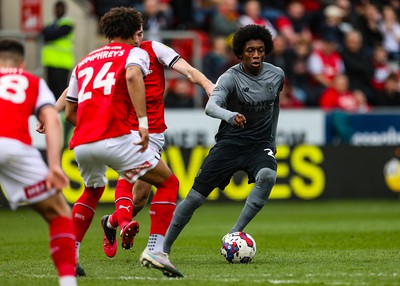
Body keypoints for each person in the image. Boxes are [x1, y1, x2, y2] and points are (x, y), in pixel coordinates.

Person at [64, 7, 183, 278]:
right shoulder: (135, 52)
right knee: (168, 183)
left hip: (82, 141)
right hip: (116, 136)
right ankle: (156, 250)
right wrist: (142, 123)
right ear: (134, 31)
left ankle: (70, 254)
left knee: (92, 190)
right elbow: (132, 76)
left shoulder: (84, 61)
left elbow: (70, 112)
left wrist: (91, 127)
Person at [162, 24, 285, 262]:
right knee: (194, 199)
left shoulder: (277, 75)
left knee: (268, 176)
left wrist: (273, 137)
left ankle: (233, 232)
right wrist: (230, 116)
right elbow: (210, 106)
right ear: (241, 52)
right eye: (250, 50)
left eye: (260, 49)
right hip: (230, 144)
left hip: (259, 144)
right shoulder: (230, 78)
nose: (256, 55)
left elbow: (275, 105)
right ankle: (163, 248)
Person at [0, 38, 77, 286]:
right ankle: (67, 282)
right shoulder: (33, 82)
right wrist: (54, 165)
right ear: (22, 63)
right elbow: (52, 119)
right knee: (59, 213)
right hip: (14, 147)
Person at [41, 0, 74, 100]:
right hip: (50, 61)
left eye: (61, 8)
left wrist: (50, 32)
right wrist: (50, 32)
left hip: (62, 62)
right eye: (57, 8)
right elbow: (45, 33)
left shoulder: (68, 23)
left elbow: (52, 34)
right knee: (51, 89)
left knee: (60, 90)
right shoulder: (51, 22)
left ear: (65, 9)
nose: (58, 10)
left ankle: (62, 113)